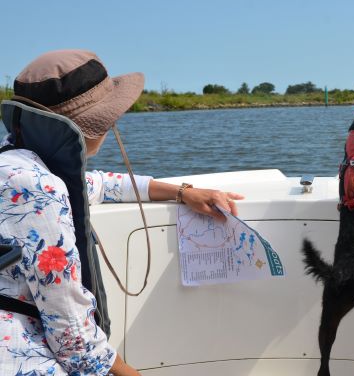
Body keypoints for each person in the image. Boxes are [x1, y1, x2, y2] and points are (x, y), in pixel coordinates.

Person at [0, 50, 244, 376]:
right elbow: (71, 334)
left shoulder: (17, 161)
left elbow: (101, 184)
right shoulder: (38, 188)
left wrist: (182, 192)